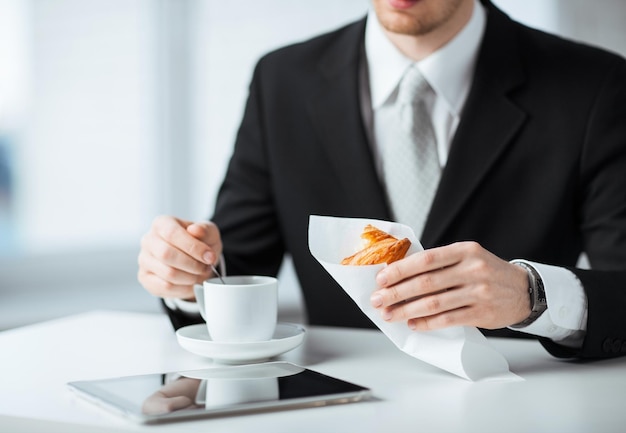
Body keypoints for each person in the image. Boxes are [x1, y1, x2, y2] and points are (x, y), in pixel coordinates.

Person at [138, 0, 626, 359]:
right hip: (338, 409)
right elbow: (236, 267)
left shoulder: (594, 86)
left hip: (519, 409)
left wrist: (530, 294)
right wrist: (187, 276)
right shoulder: (282, 80)